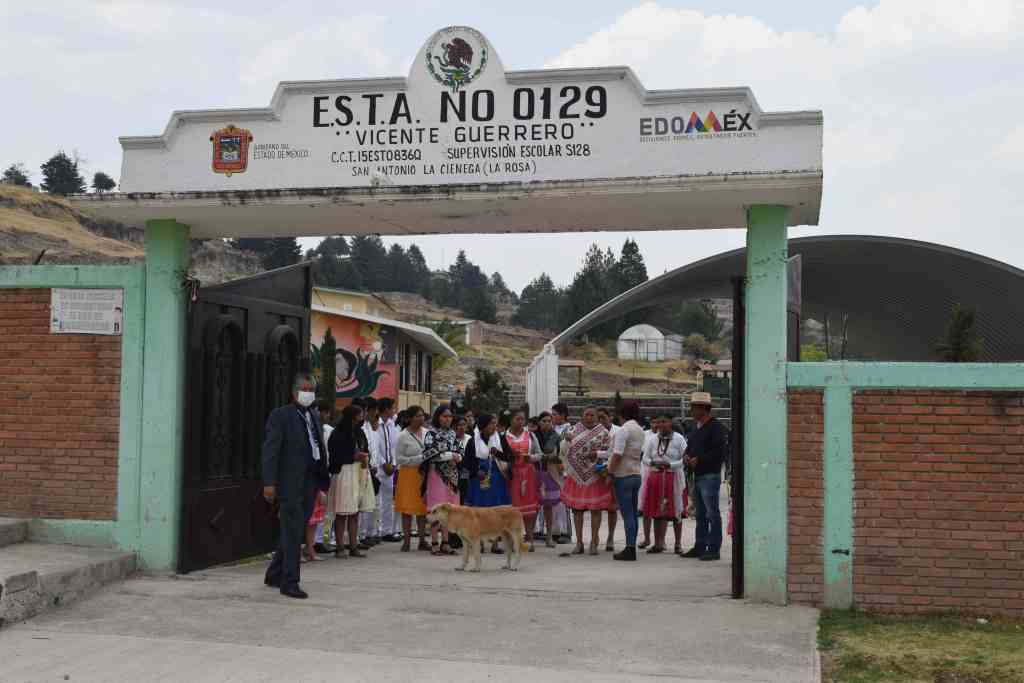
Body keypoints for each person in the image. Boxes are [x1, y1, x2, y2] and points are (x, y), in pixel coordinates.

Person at [262, 373, 330, 599]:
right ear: (294, 392)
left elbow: (319, 449)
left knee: (295, 530)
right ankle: (289, 582)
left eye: (312, 389)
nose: (309, 393)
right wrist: (269, 483)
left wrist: (322, 483)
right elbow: (271, 450)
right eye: (305, 389)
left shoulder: (313, 416)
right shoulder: (281, 416)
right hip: (289, 483)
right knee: (293, 532)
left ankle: (274, 573)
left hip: (310, 482)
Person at [681, 392, 729, 562]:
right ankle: (700, 544)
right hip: (698, 475)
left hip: (709, 475)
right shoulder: (697, 427)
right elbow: (690, 447)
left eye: (694, 407)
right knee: (701, 513)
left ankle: (713, 547)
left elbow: (719, 452)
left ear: (703, 408)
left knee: (711, 513)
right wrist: (687, 456)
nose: (691, 410)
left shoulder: (716, 428)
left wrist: (699, 459)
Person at [559, 407, 613, 555]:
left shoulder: (604, 433)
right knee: (577, 511)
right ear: (582, 417)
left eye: (592, 415)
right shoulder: (572, 430)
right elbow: (563, 451)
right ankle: (579, 543)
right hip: (576, 477)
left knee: (595, 510)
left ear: (597, 417)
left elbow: (610, 453)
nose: (589, 417)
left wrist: (604, 468)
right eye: (586, 415)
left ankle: (594, 542)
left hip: (596, 476)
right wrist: (566, 441)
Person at [327, 404, 375, 558]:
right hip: (345, 472)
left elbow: (366, 449)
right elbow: (335, 455)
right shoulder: (338, 432)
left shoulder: (359, 432)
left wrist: (365, 458)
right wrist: (353, 457)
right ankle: (340, 546)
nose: (362, 416)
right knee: (343, 511)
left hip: (359, 471)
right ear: (353, 415)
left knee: (355, 512)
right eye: (360, 414)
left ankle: (353, 545)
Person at [604, 400, 646, 561]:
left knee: (627, 514)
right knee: (633, 514)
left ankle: (629, 549)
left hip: (623, 475)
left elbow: (617, 454)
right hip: (636, 473)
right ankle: (631, 546)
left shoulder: (623, 430)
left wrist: (609, 473)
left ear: (621, 414)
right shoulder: (639, 430)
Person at [465, 413, 512, 554]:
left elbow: (509, 456)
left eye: (495, 424)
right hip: (479, 480)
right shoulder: (473, 441)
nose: (494, 427)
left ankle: (495, 543)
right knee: (478, 512)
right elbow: (467, 461)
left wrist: (497, 453)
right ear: (483, 425)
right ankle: (478, 543)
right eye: (491, 423)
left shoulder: (500, 439)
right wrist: (476, 471)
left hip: (496, 479)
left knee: (496, 512)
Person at [640, 413, 687, 554]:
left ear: (671, 423)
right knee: (657, 512)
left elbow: (685, 459)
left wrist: (670, 465)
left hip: (673, 478)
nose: (661, 425)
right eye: (659, 422)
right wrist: (653, 463)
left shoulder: (679, 439)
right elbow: (645, 458)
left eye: (664, 421)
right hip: (655, 476)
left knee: (676, 511)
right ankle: (658, 543)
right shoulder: (652, 440)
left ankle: (678, 544)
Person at [422, 404, 463, 556]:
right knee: (436, 509)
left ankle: (445, 543)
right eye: (444, 416)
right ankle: (434, 543)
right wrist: (450, 456)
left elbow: (460, 449)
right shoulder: (431, 434)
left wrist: (458, 457)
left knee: (449, 510)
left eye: (449, 416)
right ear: (438, 417)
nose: (447, 419)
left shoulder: (453, 433)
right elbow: (429, 453)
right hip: (436, 475)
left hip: (452, 476)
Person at [505, 408, 543, 552]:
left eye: (522, 419)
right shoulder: (503, 436)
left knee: (530, 509)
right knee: (511, 509)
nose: (520, 422)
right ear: (511, 420)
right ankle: (513, 539)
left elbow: (540, 454)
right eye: (517, 419)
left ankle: (529, 538)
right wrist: (510, 457)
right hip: (511, 475)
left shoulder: (531, 436)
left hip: (528, 474)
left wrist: (531, 458)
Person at [395, 405, 430, 552]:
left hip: (423, 474)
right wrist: (419, 459)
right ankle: (407, 541)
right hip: (408, 474)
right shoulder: (403, 436)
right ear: (409, 418)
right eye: (417, 416)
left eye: (422, 415)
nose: (420, 418)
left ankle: (422, 540)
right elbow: (399, 459)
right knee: (407, 508)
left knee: (422, 509)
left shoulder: (428, 433)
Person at [534, 412, 563, 548]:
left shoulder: (556, 436)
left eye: (549, 421)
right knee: (534, 506)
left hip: (551, 473)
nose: (547, 423)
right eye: (544, 420)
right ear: (539, 422)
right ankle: (530, 536)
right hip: (535, 473)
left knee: (549, 506)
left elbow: (560, 455)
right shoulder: (533, 435)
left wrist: (552, 457)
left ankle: (549, 536)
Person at [313, 399, 336, 554]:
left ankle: (321, 539)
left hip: (325, 471)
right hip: (312, 471)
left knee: (325, 507)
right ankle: (313, 540)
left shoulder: (328, 430)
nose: (326, 416)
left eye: (328, 413)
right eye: (325, 412)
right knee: (312, 507)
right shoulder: (311, 428)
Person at [359, 397, 383, 546]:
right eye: (372, 410)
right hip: (362, 468)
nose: (374, 413)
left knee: (371, 504)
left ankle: (369, 532)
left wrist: (375, 466)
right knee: (360, 504)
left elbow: (374, 450)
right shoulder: (361, 428)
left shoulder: (371, 428)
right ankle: (360, 535)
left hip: (373, 470)